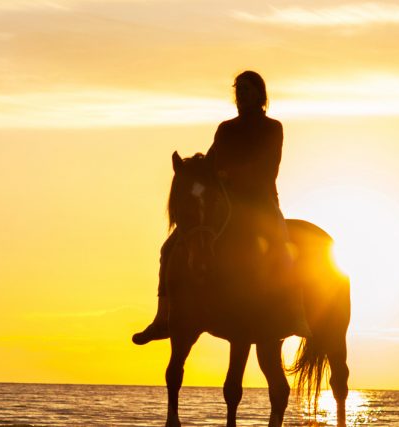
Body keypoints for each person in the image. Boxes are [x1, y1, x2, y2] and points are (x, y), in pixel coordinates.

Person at [132, 71, 310, 345]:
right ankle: (162, 317)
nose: (242, 96)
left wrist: (233, 175)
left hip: (260, 201)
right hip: (224, 202)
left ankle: (295, 310)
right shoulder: (226, 128)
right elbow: (212, 159)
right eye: (239, 91)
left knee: (282, 241)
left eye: (247, 91)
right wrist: (193, 167)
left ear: (260, 95)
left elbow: (269, 167)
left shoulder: (272, 128)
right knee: (169, 247)